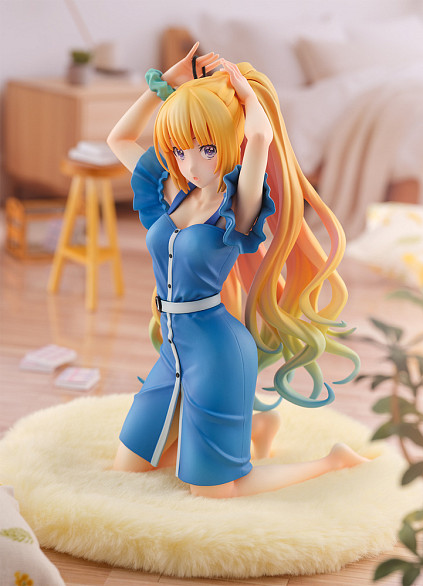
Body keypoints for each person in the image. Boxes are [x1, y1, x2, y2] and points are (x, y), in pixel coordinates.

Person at [107, 43, 367, 498]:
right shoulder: (173, 191)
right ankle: (251, 427)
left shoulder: (237, 207)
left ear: (228, 143)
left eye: (207, 149)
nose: (192, 164)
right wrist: (161, 85)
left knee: (215, 492)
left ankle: (334, 461)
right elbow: (119, 140)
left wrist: (247, 95)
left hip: (217, 353)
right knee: (128, 468)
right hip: (173, 350)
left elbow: (261, 139)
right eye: (180, 151)